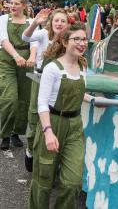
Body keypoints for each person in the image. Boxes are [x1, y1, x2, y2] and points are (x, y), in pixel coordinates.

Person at [28, 22, 93, 208]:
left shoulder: (83, 67)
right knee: (43, 181)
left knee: (73, 182)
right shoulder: (53, 68)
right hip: (52, 124)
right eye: (77, 39)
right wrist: (48, 131)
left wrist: (95, 100)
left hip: (74, 127)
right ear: (65, 42)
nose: (82, 43)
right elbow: (42, 103)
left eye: (84, 39)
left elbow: (80, 94)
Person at [22, 8, 69, 172]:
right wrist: (35, 22)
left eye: (63, 21)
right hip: (39, 80)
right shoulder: (43, 35)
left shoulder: (68, 40)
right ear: (51, 22)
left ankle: (51, 160)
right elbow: (25, 37)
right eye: (56, 20)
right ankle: (30, 148)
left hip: (58, 83)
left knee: (54, 119)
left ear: (67, 24)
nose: (59, 23)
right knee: (35, 118)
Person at [0, 0, 34, 150]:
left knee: (24, 100)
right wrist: (16, 55)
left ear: (24, 6)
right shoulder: (4, 19)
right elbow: (3, 39)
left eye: (17, 3)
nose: (13, 6)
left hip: (25, 63)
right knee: (8, 98)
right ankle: (5, 134)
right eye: (11, 3)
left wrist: (32, 56)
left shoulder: (31, 22)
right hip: (7, 60)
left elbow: (35, 42)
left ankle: (16, 132)